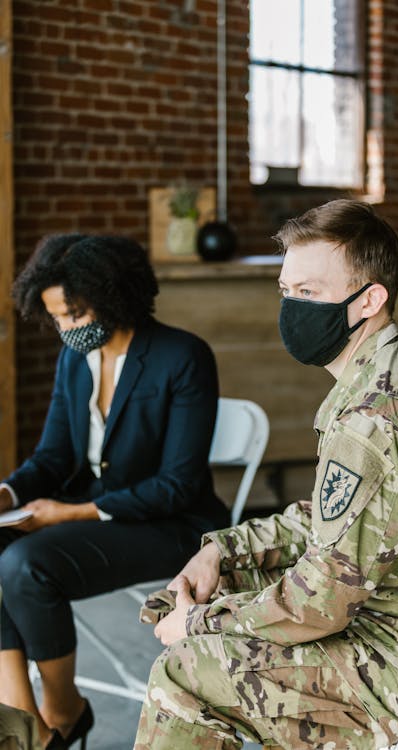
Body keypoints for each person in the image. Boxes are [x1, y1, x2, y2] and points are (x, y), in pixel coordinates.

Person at [134, 200, 398, 750]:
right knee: (230, 593)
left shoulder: (377, 417)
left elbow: (319, 604)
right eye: (287, 291)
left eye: (310, 293)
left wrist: (197, 626)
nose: (292, 309)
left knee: (189, 670)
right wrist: (224, 553)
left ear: (369, 299)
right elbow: (336, 525)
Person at [0, 234, 229, 749]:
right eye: (56, 317)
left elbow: (178, 485)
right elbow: (54, 457)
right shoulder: (73, 361)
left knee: (26, 565)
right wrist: (8, 494)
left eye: (74, 316)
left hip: (173, 526)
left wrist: (74, 513)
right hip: (100, 518)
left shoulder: (183, 356)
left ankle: (64, 710)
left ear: (112, 295)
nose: (64, 329)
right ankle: (24, 722)